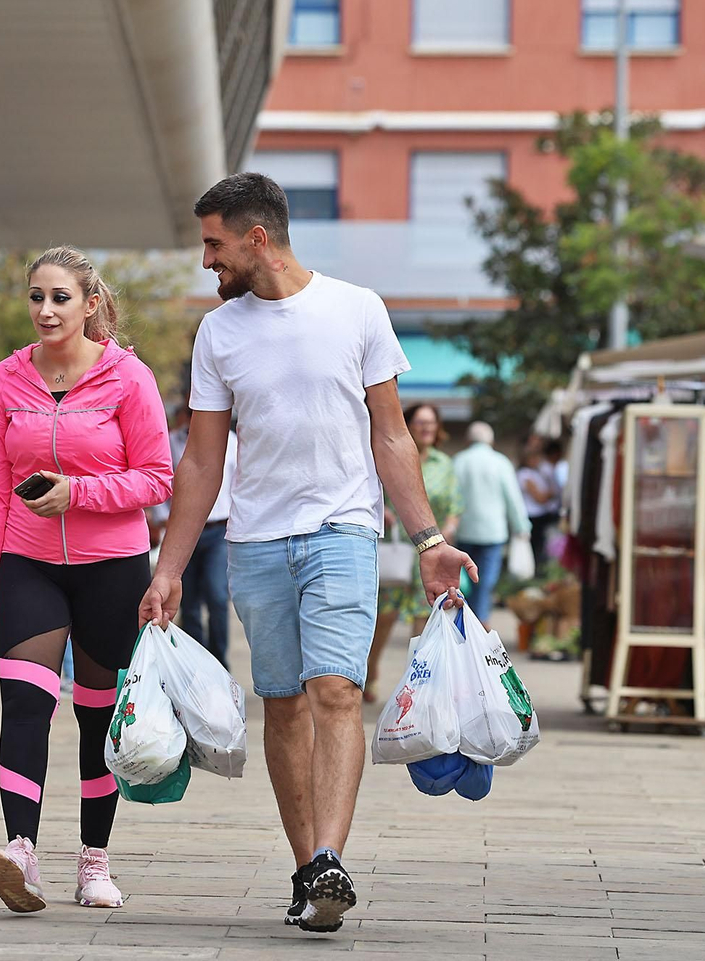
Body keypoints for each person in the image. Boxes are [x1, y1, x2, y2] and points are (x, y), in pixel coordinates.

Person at [139, 174, 476, 935]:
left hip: (342, 531)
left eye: (214, 244)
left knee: (335, 692)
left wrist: (428, 539)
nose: (206, 261)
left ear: (257, 238)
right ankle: (307, 872)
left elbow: (391, 435)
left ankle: (330, 857)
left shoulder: (358, 310)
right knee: (284, 703)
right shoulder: (218, 333)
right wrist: (168, 569)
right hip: (256, 541)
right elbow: (202, 461)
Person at [0, 246, 173, 914]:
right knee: (25, 702)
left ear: (90, 303)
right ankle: (20, 851)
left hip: (112, 567)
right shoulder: (6, 379)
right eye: (36, 296)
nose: (46, 310)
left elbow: (157, 478)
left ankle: (94, 860)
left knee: (96, 714)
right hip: (28, 564)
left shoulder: (128, 377)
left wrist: (77, 493)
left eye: (60, 297)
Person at [364, 403, 463, 703]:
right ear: (407, 425)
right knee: (385, 615)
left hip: (430, 552)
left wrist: (448, 531)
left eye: (431, 423)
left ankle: (415, 683)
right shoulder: (389, 455)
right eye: (420, 422)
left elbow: (455, 505)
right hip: (397, 550)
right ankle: (370, 669)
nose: (426, 428)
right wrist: (382, 511)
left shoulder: (444, 464)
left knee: (424, 616)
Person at [150, 404, 239, 669]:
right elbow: (162, 479)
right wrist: (161, 519)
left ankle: (219, 662)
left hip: (218, 530)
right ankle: (194, 664)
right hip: (182, 529)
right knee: (187, 602)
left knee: (217, 596)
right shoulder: (170, 442)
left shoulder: (232, 441)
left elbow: (238, 483)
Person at [453, 421, 532, 622]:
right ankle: (480, 622)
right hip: (493, 532)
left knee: (464, 580)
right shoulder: (501, 462)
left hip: (463, 530)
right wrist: (521, 527)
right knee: (485, 581)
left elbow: (451, 497)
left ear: (468, 440)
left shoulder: (458, 461)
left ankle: (464, 620)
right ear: (491, 441)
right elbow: (513, 498)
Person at [518, 435, 560, 561]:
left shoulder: (538, 472)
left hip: (540, 514)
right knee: (536, 547)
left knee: (541, 546)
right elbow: (540, 497)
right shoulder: (524, 474)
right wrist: (550, 493)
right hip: (532, 515)